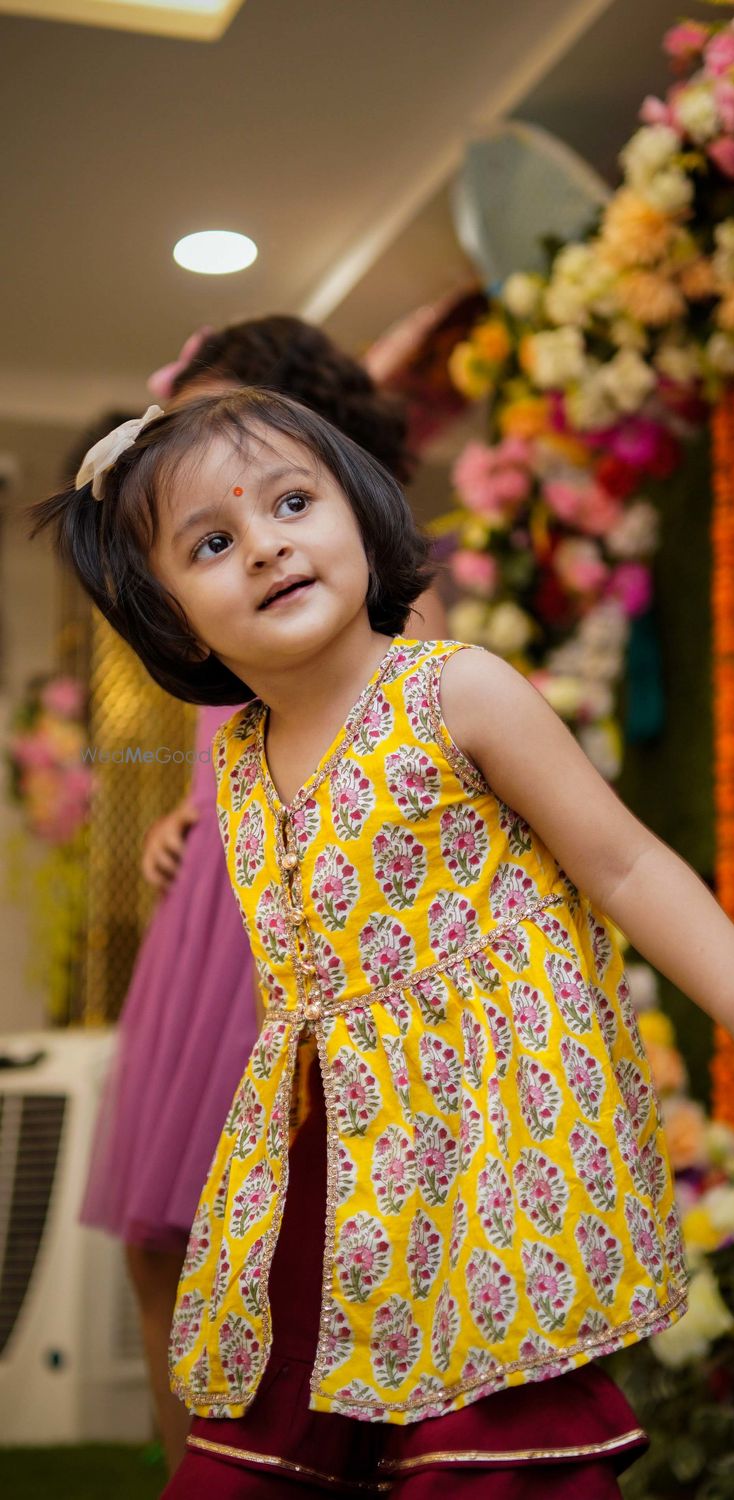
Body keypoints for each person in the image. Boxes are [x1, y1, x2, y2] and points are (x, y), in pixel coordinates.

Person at [32, 389, 734, 1498]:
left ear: (361, 509)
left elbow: (622, 863)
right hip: (327, 1169)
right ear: (171, 617)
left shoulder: (456, 691)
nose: (267, 546)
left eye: (294, 501)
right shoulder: (235, 766)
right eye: (212, 542)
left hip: (485, 1140)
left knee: (482, 1450)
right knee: (268, 1442)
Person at [77, 318, 445, 1476]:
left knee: (280, 1259)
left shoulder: (365, 579)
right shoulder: (216, 581)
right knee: (164, 1247)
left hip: (296, 933)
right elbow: (242, 742)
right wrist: (193, 816)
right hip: (205, 926)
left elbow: (403, 746)